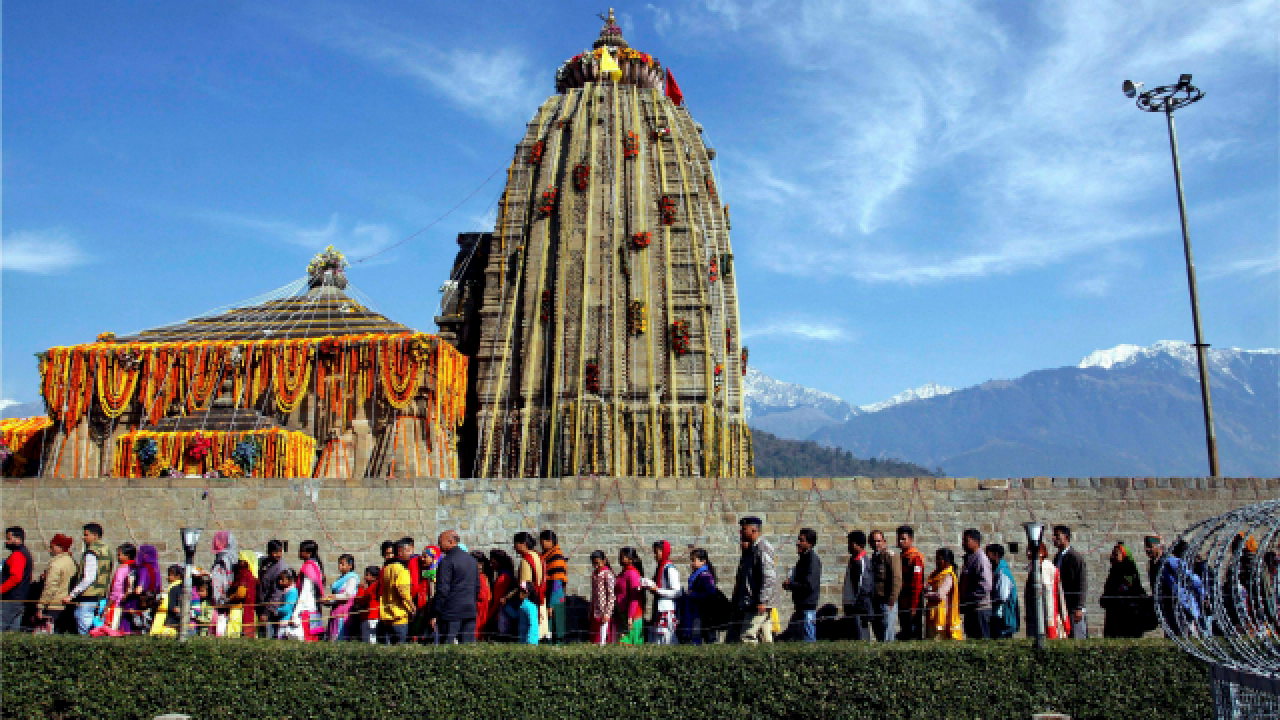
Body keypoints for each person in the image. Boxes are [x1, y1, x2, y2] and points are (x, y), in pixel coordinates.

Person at [731, 516, 778, 644]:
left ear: (753, 530)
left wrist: (763, 600)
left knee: (747, 637)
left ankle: (749, 664)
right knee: (765, 639)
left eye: (744, 529)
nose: (741, 532)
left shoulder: (762, 548)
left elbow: (769, 577)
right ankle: (771, 663)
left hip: (758, 603)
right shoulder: (752, 549)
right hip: (754, 602)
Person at [64, 523, 113, 635]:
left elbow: (89, 578)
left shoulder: (91, 552)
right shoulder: (107, 550)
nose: (83, 537)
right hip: (101, 595)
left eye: (86, 535)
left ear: (95, 536)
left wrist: (72, 595)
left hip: (88, 596)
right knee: (97, 629)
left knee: (84, 629)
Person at [432, 530, 478, 644]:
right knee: (467, 649)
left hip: (450, 613)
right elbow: (477, 587)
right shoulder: (472, 560)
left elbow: (442, 590)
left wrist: (435, 613)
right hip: (469, 611)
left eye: (440, 542)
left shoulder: (447, 561)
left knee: (448, 649)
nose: (439, 545)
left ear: (450, 541)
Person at [1100, 542, 1149, 638]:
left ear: (1124, 556)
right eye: (1112, 553)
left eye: (1116, 554)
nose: (1112, 556)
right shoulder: (1114, 571)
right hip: (1113, 613)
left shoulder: (1128, 573)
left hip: (1125, 615)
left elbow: (1125, 591)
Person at [782, 528, 821, 642]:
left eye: (802, 540)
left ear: (810, 543)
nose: (798, 543)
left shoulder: (812, 560)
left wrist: (791, 584)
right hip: (801, 607)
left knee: (808, 640)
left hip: (807, 607)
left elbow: (809, 586)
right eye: (799, 539)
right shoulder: (803, 558)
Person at [1026, 542, 1070, 639]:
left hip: (1047, 614)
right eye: (1028, 550)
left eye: (1030, 550)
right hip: (1036, 613)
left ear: (1040, 552)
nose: (1028, 553)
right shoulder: (1033, 568)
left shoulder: (1046, 568)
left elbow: (1048, 594)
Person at [35, 533, 77, 634]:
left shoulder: (56, 564)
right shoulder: (72, 561)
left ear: (60, 547)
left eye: (52, 546)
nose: (50, 549)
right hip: (65, 605)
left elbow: (50, 587)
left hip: (53, 605)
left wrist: (40, 606)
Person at [509, 532, 547, 640]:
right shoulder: (538, 556)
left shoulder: (526, 560)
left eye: (516, 544)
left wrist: (509, 597)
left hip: (528, 600)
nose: (515, 547)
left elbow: (524, 583)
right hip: (539, 598)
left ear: (524, 544)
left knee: (527, 633)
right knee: (535, 631)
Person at [644, 540, 682, 645]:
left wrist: (657, 591)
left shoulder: (669, 569)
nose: (655, 555)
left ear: (664, 551)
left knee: (667, 639)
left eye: (657, 552)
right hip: (659, 609)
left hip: (667, 610)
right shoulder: (660, 567)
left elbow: (677, 592)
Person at [378, 539, 416, 645]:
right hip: (399, 616)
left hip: (386, 616)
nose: (411, 554)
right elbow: (403, 591)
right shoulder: (401, 569)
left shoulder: (387, 568)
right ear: (400, 552)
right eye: (408, 551)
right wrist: (412, 607)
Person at [1052, 525, 1087, 638]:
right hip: (1061, 605)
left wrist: (1079, 607)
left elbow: (1082, 583)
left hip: (1073, 607)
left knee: (1076, 636)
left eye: (1057, 536)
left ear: (1066, 537)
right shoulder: (1057, 557)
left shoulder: (1075, 557)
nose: (1054, 539)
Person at [958, 528, 992, 639]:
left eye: (966, 541)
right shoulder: (969, 559)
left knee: (982, 642)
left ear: (976, 542)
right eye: (963, 541)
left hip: (980, 609)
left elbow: (986, 585)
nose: (963, 544)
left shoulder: (981, 560)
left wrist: (970, 598)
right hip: (970, 610)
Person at [869, 530, 901, 642]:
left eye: (879, 541)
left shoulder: (890, 556)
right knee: (878, 632)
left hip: (887, 600)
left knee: (887, 632)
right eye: (873, 541)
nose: (876, 544)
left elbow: (896, 578)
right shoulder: (874, 557)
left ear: (884, 541)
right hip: (876, 600)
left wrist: (892, 599)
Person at [684, 548, 721, 645]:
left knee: (701, 639)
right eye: (691, 560)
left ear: (703, 561)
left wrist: (693, 594)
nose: (691, 563)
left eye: (693, 560)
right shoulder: (696, 575)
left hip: (702, 613)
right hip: (695, 612)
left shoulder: (705, 575)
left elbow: (711, 593)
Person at [841, 531, 873, 641]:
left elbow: (863, 587)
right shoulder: (853, 560)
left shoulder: (862, 562)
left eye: (851, 544)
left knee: (861, 636)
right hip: (850, 604)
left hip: (858, 607)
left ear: (860, 545)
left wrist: (857, 605)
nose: (849, 546)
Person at [896, 526, 926, 641]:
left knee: (913, 634)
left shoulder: (915, 558)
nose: (900, 542)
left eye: (903, 539)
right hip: (902, 602)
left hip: (912, 603)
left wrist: (913, 606)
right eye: (899, 539)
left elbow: (917, 584)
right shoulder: (901, 557)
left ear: (911, 540)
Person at [0, 527, 32, 633]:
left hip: (10, 599)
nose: (6, 541)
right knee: (12, 633)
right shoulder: (24, 552)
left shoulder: (18, 555)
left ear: (18, 539)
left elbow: (15, 578)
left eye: (9, 539)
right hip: (18, 599)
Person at [924, 547, 961, 640]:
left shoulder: (948, 576)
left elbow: (940, 595)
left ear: (947, 560)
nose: (937, 562)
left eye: (939, 559)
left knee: (938, 640)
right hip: (932, 613)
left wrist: (927, 594)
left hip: (942, 615)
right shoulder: (934, 575)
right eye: (936, 559)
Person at [540, 530, 569, 644]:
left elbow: (557, 583)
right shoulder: (547, 556)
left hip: (555, 598)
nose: (541, 544)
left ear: (550, 541)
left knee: (555, 630)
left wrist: (551, 605)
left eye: (542, 542)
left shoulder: (556, 557)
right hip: (551, 597)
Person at [257, 540, 290, 637]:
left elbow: (277, 593)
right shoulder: (266, 563)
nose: (278, 554)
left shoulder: (280, 568)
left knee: (269, 636)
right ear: (269, 552)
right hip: (262, 605)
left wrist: (267, 612)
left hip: (272, 610)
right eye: (275, 552)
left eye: (280, 552)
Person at [324, 553, 360, 641]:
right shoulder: (340, 579)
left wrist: (333, 596)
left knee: (341, 636)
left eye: (342, 564)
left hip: (344, 612)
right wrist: (327, 601)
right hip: (336, 611)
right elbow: (336, 597)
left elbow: (347, 595)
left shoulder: (352, 578)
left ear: (350, 565)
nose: (340, 566)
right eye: (339, 563)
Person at [986, 544, 1019, 639]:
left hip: (1002, 617)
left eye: (988, 555)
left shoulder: (1002, 573)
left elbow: (1002, 597)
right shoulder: (998, 571)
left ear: (996, 555)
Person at [208, 531, 238, 636]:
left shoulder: (222, 560)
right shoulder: (235, 557)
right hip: (232, 602)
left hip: (221, 603)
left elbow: (219, 581)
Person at [103, 543, 137, 634]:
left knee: (115, 627)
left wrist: (109, 604)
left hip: (119, 601)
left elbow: (116, 588)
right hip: (132, 602)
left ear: (127, 556)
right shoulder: (136, 568)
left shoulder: (122, 569)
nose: (118, 557)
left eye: (119, 555)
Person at [295, 540, 325, 641]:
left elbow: (305, 591)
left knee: (307, 641)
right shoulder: (317, 565)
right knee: (314, 641)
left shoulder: (308, 567)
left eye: (302, 551)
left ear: (309, 553)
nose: (299, 553)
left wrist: (295, 613)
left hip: (306, 610)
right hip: (315, 610)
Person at [615, 546, 645, 645]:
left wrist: (630, 617)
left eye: (622, 557)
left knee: (630, 645)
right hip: (623, 614)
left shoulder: (632, 574)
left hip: (632, 616)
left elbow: (634, 597)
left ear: (630, 559)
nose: (620, 559)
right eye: (620, 556)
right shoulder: (623, 573)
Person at [129, 545, 162, 634]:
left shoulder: (144, 568)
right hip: (153, 602)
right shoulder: (156, 568)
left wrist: (129, 592)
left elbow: (139, 589)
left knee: (140, 627)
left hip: (142, 603)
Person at [225, 550, 258, 638]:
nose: (239, 562)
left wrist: (230, 598)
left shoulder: (244, 573)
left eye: (241, 560)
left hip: (238, 609)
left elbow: (241, 593)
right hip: (248, 609)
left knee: (234, 635)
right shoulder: (251, 575)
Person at [589, 550, 616, 645]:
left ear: (604, 561)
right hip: (595, 611)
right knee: (595, 638)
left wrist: (607, 613)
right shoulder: (594, 574)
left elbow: (611, 595)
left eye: (598, 563)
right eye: (594, 564)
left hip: (604, 611)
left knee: (602, 639)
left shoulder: (607, 574)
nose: (596, 566)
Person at [489, 549, 517, 641]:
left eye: (493, 562)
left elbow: (497, 600)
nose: (491, 565)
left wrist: (488, 617)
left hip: (500, 617)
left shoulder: (503, 578)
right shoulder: (508, 575)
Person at [151, 564, 184, 637]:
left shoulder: (173, 588)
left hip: (170, 620)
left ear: (178, 576)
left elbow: (171, 606)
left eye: (170, 575)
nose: (168, 577)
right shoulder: (179, 587)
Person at [353, 565, 382, 643]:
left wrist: (360, 589)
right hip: (371, 616)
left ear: (374, 577)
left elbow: (361, 599)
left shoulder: (373, 587)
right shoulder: (374, 586)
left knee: (370, 640)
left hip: (371, 617)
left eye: (367, 575)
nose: (365, 577)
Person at [273, 570, 302, 640]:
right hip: (284, 620)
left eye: (282, 580)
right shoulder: (287, 591)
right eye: (280, 579)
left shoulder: (292, 592)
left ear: (290, 580)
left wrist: (277, 611)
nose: (280, 582)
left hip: (287, 621)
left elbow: (288, 607)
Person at [471, 551, 493, 642]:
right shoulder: (483, 576)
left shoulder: (480, 577)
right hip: (483, 606)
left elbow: (483, 595)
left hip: (480, 606)